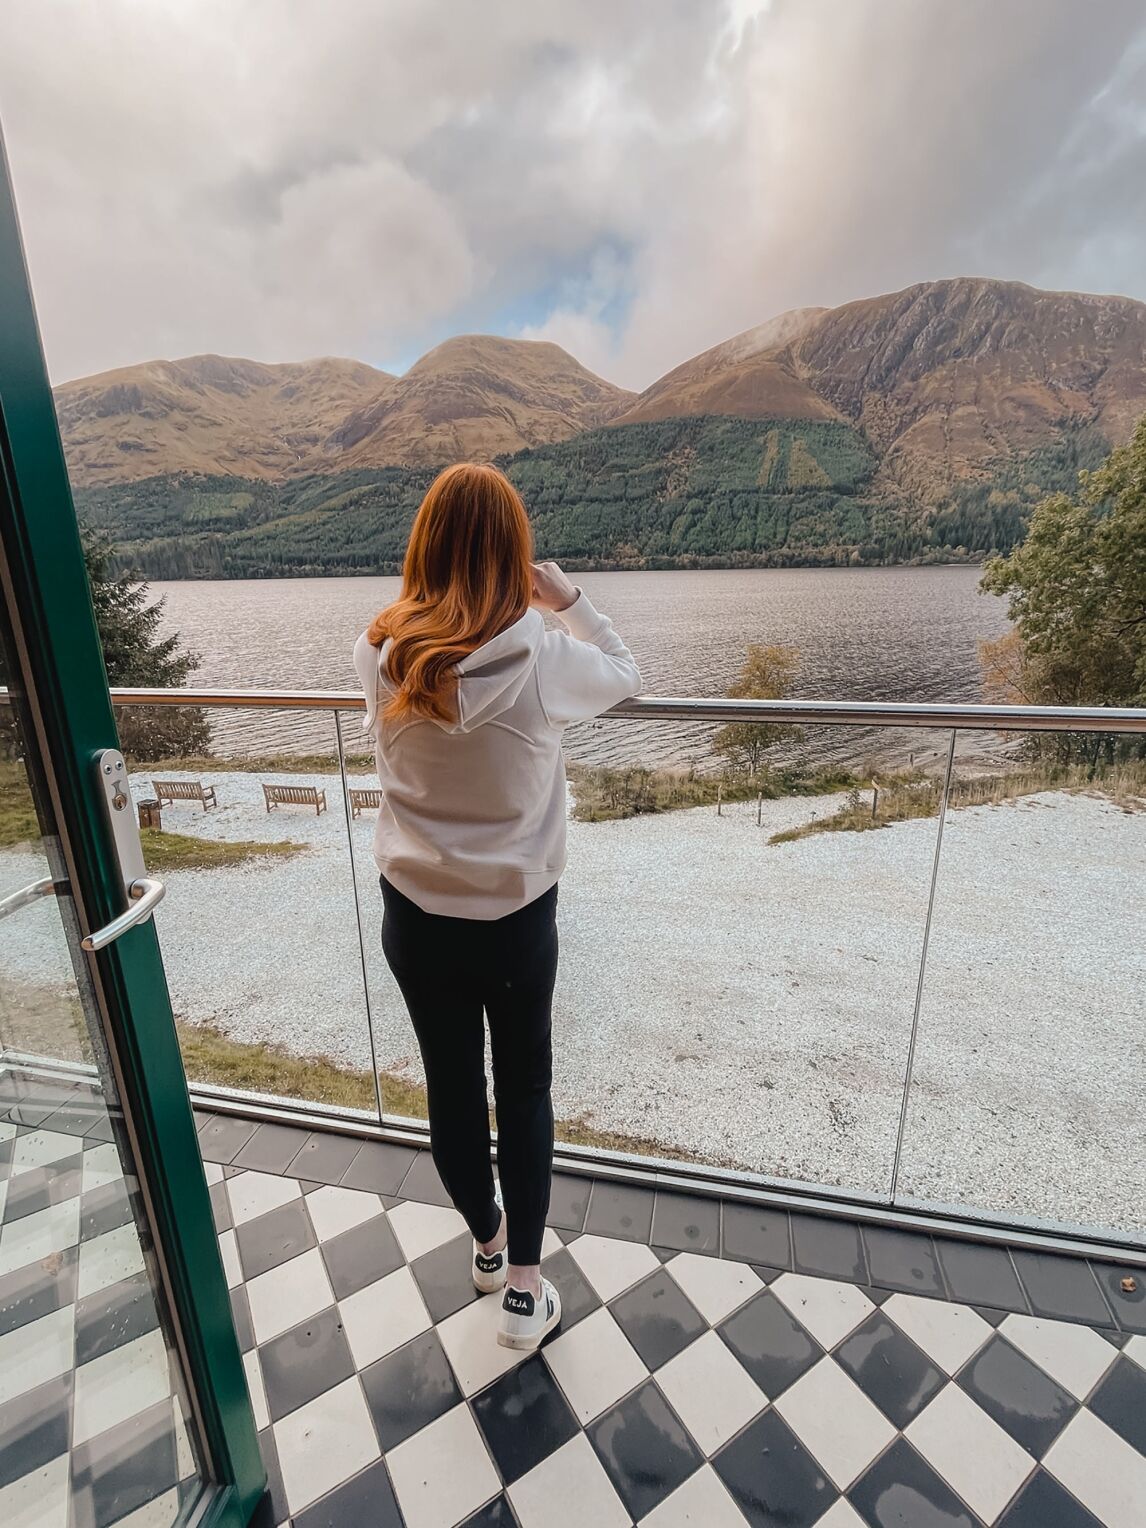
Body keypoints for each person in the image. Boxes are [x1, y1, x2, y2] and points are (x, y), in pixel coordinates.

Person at [353, 462, 642, 1350]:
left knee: (451, 1089)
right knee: (523, 1089)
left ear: (425, 544)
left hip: (415, 911)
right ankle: (524, 1288)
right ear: (516, 555)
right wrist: (570, 602)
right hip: (516, 918)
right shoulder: (541, 652)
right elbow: (628, 674)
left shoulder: (380, 650)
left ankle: (485, 1248)